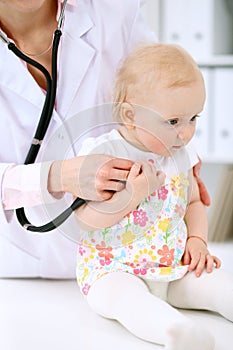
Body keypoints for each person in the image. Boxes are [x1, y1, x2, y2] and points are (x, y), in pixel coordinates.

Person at [0, 0, 209, 279]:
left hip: (135, 261)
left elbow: (162, 93)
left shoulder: (115, 8)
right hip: (19, 270)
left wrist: (176, 148)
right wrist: (55, 176)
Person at [75, 44, 233, 349]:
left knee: (218, 284)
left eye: (193, 118)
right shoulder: (103, 155)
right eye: (173, 122)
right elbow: (85, 220)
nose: (186, 133)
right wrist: (131, 197)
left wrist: (197, 241)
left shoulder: (181, 154)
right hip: (112, 270)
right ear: (131, 116)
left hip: (172, 266)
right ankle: (175, 332)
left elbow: (194, 202)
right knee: (127, 300)